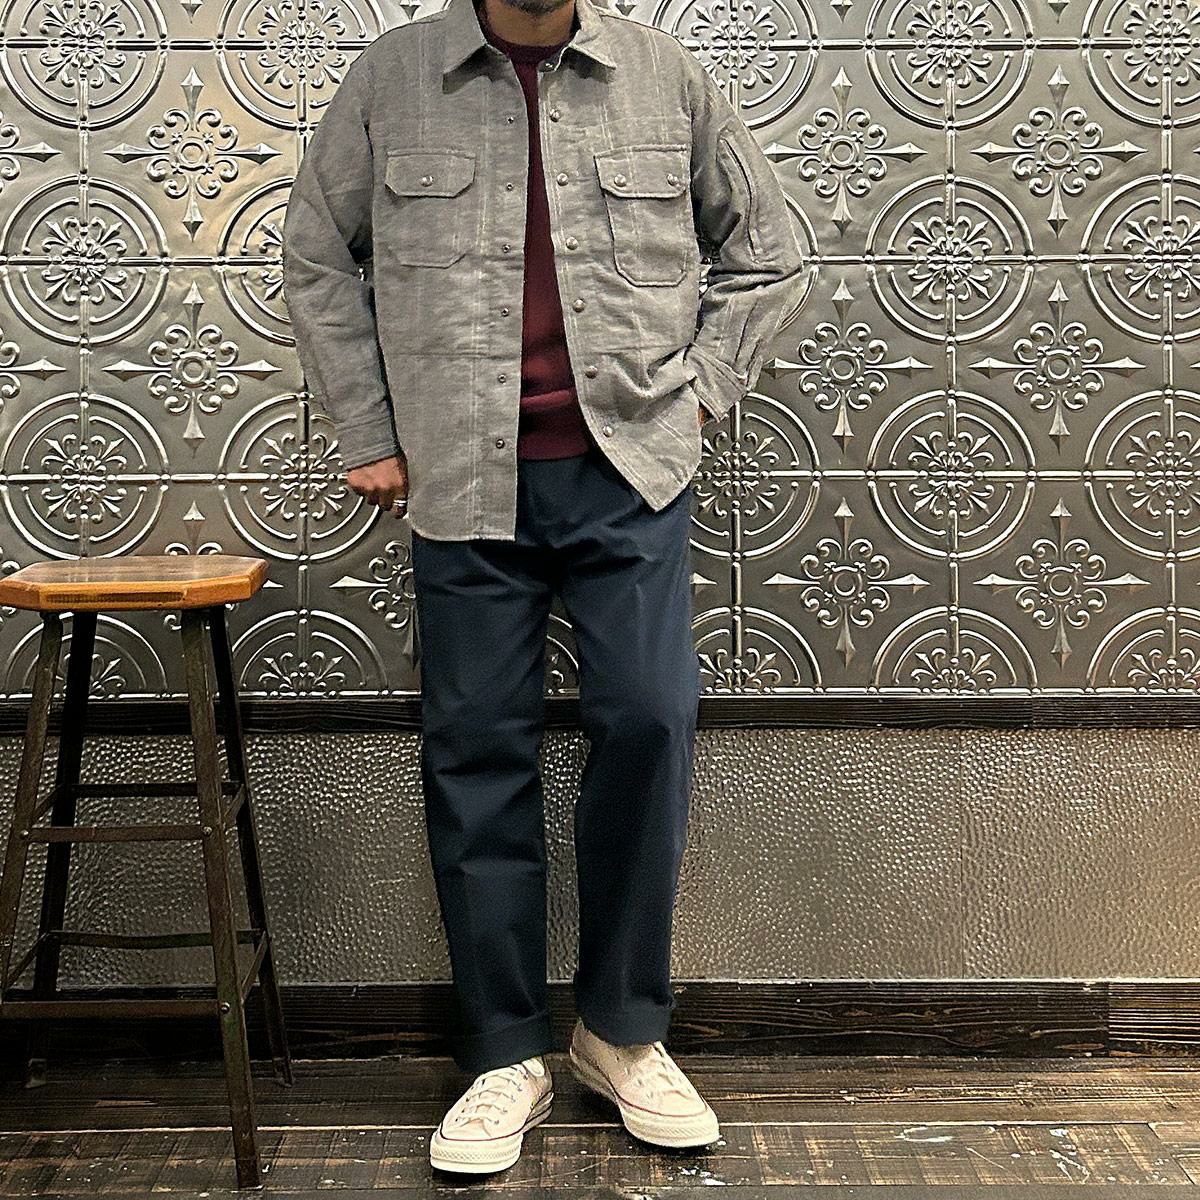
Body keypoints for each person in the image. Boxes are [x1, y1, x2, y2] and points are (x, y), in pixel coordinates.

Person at [282, 0, 804, 1175]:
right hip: (460, 474)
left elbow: (770, 253)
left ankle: (620, 1032)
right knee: (475, 745)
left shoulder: (663, 75)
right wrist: (367, 427)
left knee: (651, 717)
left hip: (627, 473)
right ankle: (503, 1050)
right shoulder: (393, 78)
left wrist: (700, 397)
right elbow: (315, 257)